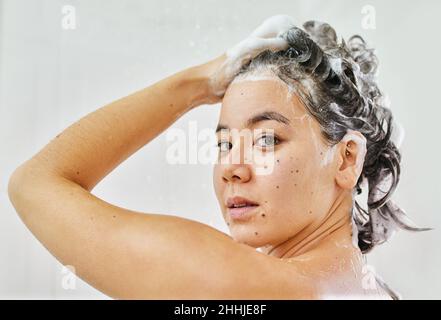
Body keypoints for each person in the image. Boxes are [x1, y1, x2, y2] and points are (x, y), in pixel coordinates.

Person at [7, 15, 429, 299]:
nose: (232, 168)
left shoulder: (246, 289)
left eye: (267, 140)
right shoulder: (374, 292)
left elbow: (36, 183)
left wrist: (198, 86)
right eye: (225, 144)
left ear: (346, 158)